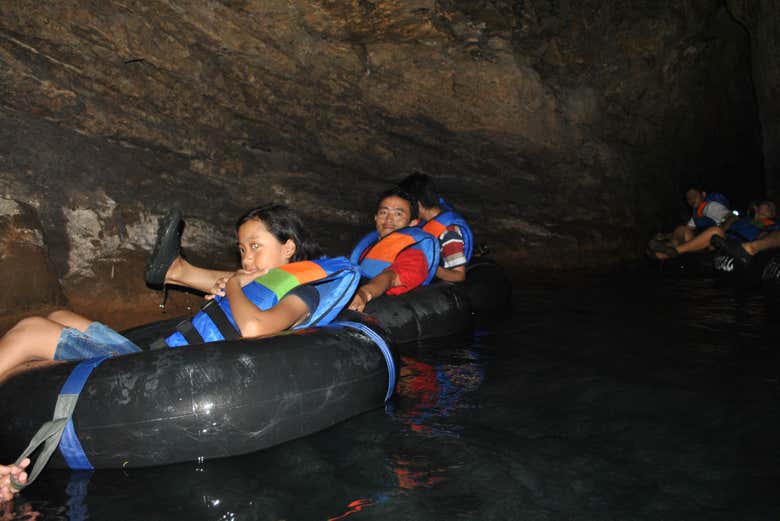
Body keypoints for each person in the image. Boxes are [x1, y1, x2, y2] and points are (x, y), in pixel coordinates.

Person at [0, 204, 359, 381]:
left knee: (31, 329)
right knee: (59, 318)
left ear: (289, 248)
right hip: (164, 356)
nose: (246, 258)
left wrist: (233, 284)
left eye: (255, 246)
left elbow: (253, 329)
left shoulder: (306, 293)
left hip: (167, 375)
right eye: (241, 249)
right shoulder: (267, 283)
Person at [346, 187, 439, 312]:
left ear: (413, 223)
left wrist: (364, 293)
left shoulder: (414, 255)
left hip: (385, 309)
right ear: (375, 217)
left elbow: (391, 277)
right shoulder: (368, 247)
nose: (389, 219)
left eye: (398, 214)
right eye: (383, 212)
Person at [397, 173, 473, 282]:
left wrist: (430, 265)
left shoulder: (448, 232)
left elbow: (459, 275)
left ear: (417, 204)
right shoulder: (423, 221)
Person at [648, 186, 734, 259]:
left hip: (720, 244)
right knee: (682, 229)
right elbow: (687, 228)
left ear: (703, 195)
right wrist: (665, 236)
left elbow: (732, 218)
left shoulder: (711, 206)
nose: (692, 199)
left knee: (715, 232)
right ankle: (666, 247)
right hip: (703, 246)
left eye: (694, 196)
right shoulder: (697, 214)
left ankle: (674, 251)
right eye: (689, 198)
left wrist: (719, 238)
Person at [711, 200, 780, 267]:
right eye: (768, 205)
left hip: (743, 249)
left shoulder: (773, 225)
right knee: (715, 231)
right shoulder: (742, 218)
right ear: (756, 207)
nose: (770, 209)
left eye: (773, 210)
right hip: (723, 242)